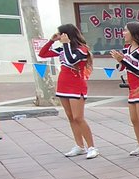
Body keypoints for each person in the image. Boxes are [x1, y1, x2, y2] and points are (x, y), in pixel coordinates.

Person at [39, 24, 98, 159]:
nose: (59, 36)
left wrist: (66, 44)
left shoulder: (82, 49)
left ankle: (92, 147)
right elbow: (42, 54)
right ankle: (79, 146)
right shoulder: (62, 48)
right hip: (63, 85)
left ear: (67, 35)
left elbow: (72, 60)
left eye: (60, 34)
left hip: (76, 85)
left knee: (78, 117)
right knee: (71, 117)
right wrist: (51, 41)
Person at [109, 21, 139, 159]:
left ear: (134, 33)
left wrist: (123, 60)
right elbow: (123, 67)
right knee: (134, 119)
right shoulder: (127, 49)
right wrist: (120, 60)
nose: (123, 33)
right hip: (132, 89)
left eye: (126, 30)